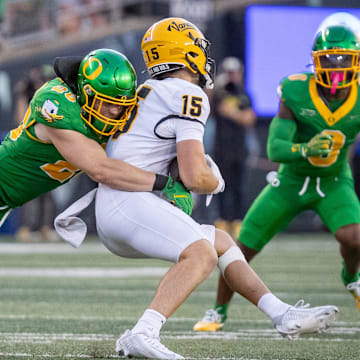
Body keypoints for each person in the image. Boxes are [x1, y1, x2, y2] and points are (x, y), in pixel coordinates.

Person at [91, 18, 337, 359]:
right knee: (201, 254)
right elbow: (194, 178)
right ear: (184, 52)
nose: (204, 57)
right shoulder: (187, 93)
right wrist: (215, 180)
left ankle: (281, 313)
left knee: (220, 242)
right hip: (128, 203)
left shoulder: (148, 91)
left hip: (120, 205)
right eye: (199, 48)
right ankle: (143, 332)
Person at [193, 23, 360, 333]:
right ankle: (218, 310)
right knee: (242, 248)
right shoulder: (296, 90)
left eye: (344, 60)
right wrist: (305, 148)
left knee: (354, 238)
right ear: (315, 60)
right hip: (291, 182)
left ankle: (351, 277)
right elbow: (276, 146)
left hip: (335, 181)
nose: (337, 69)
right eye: (329, 60)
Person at [0, 48, 193, 231]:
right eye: (107, 103)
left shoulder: (111, 112)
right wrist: (164, 184)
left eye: (121, 105)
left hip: (8, 199)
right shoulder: (56, 103)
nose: (115, 111)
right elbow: (100, 169)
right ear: (86, 93)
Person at [212, 57, 257, 239]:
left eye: (234, 73)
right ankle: (222, 221)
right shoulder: (218, 93)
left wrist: (232, 113)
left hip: (238, 148)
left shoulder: (243, 94)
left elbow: (249, 118)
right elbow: (209, 109)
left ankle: (237, 222)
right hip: (221, 147)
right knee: (220, 187)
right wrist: (215, 87)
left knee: (238, 187)